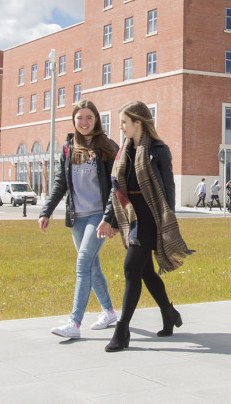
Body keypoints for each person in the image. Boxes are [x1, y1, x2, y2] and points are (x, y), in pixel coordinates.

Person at [97, 101, 195, 352]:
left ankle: (122, 331)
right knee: (145, 272)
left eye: (124, 122)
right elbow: (115, 190)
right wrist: (109, 218)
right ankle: (169, 313)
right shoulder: (124, 151)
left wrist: (167, 219)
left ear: (138, 122)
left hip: (151, 215)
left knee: (131, 268)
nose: (120, 127)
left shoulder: (159, 150)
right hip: (131, 215)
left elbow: (168, 187)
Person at [39, 100, 123, 339]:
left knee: (83, 262)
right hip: (77, 217)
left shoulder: (107, 147)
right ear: (74, 121)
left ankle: (74, 323)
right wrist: (46, 211)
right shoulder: (68, 148)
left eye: (89, 117)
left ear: (96, 119)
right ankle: (108, 311)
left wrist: (110, 219)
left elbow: (116, 186)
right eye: (80, 118)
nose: (84, 122)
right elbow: (60, 183)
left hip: (98, 216)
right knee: (92, 267)